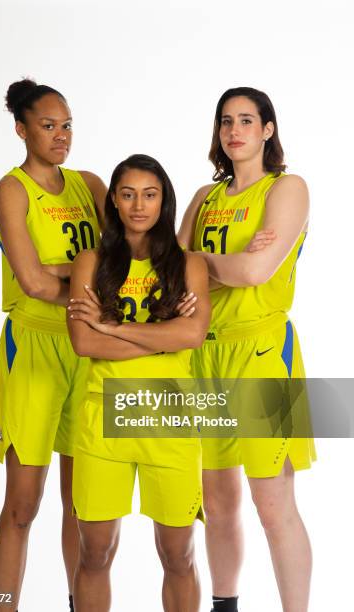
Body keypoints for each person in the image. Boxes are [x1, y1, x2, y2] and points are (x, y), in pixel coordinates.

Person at [178, 87, 316, 612]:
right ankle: (225, 605)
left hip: (261, 352)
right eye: (225, 121)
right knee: (216, 500)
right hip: (205, 353)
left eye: (246, 120)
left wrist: (202, 259)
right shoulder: (203, 198)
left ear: (267, 130)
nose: (234, 130)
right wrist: (218, 260)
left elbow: (257, 271)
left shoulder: (287, 189)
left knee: (273, 501)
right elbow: (172, 274)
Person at [66, 153, 211, 612]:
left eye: (149, 194)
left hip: (170, 420)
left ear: (164, 200)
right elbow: (84, 344)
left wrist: (111, 326)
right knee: (95, 553)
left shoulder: (189, 264)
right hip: (101, 419)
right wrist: (159, 339)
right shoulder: (90, 261)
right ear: (113, 199)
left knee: (178, 554)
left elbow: (191, 334)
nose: (138, 205)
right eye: (127, 194)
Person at [0, 78, 106, 612]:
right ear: (21, 129)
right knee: (23, 503)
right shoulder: (12, 190)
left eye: (67, 125)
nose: (61, 135)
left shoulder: (90, 184)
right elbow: (33, 283)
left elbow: (125, 260)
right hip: (34, 349)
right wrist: (88, 276)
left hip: (87, 344)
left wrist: (70, 275)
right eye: (47, 125)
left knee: (81, 501)